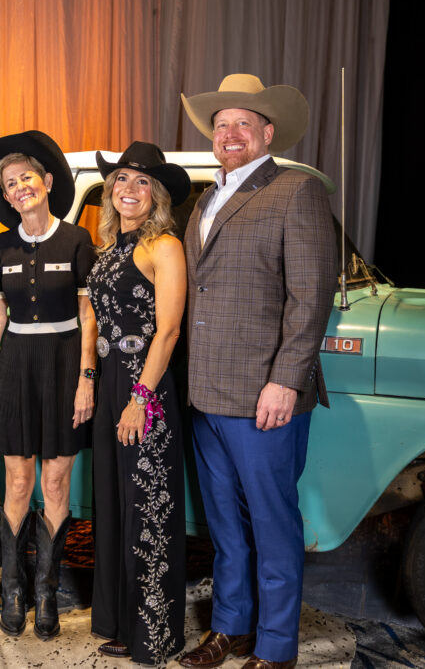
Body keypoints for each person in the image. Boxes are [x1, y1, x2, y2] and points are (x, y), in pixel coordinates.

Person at [177, 74, 338, 669]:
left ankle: (275, 650)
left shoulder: (295, 191)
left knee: (271, 524)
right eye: (221, 126)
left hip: (264, 394)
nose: (230, 134)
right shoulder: (204, 200)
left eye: (243, 123)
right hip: (206, 393)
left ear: (267, 132)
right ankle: (230, 628)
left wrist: (286, 379)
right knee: (224, 526)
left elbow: (310, 295)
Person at [0, 130, 97, 640]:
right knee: (19, 480)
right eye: (10, 183)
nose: (20, 186)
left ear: (46, 182)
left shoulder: (76, 240)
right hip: (17, 367)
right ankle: (13, 586)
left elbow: (88, 316)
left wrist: (87, 377)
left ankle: (45, 589)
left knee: (54, 483)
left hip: (65, 363)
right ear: (5, 196)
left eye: (27, 177)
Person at [86, 141, 191, 665]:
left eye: (142, 181)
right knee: (115, 506)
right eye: (122, 179)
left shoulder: (163, 245)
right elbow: (96, 324)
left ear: (157, 195)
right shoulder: (109, 249)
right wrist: (92, 381)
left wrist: (140, 400)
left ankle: (155, 634)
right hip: (109, 382)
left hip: (142, 386)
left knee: (148, 508)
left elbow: (168, 331)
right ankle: (122, 622)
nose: (129, 189)